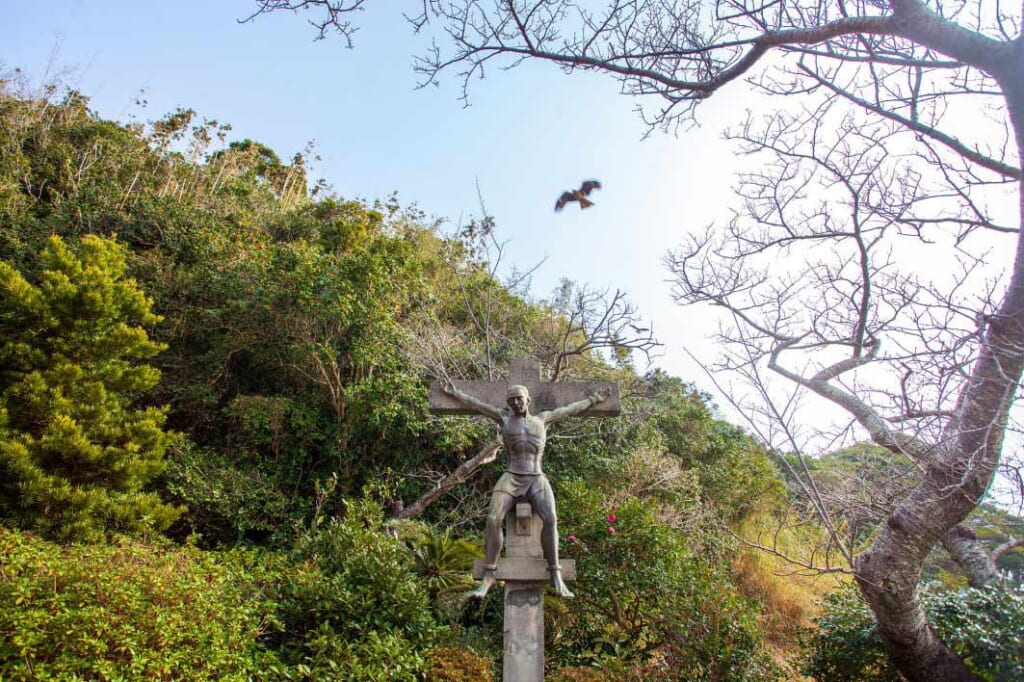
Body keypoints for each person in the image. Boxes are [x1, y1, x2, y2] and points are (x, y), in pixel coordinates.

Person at [442, 381, 608, 598]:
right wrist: (457, 394)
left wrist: (593, 400)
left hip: (536, 477)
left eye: (519, 398)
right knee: (492, 519)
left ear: (528, 400)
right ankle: (489, 576)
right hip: (512, 476)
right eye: (512, 400)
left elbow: (570, 409)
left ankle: (555, 575)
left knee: (551, 519)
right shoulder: (504, 418)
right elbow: (478, 405)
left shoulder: (543, 419)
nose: (516, 403)